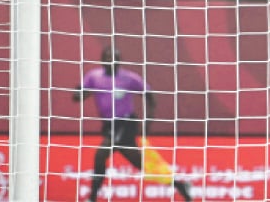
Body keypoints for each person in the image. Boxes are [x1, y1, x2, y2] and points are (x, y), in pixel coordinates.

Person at [74, 46, 191, 202]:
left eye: (114, 58)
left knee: (101, 155)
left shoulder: (129, 78)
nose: (111, 61)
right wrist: (80, 94)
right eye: (108, 57)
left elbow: (150, 96)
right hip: (109, 126)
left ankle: (92, 198)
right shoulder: (93, 77)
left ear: (119, 61)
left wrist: (148, 121)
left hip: (126, 123)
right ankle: (180, 185)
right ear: (102, 60)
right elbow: (79, 94)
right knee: (139, 163)